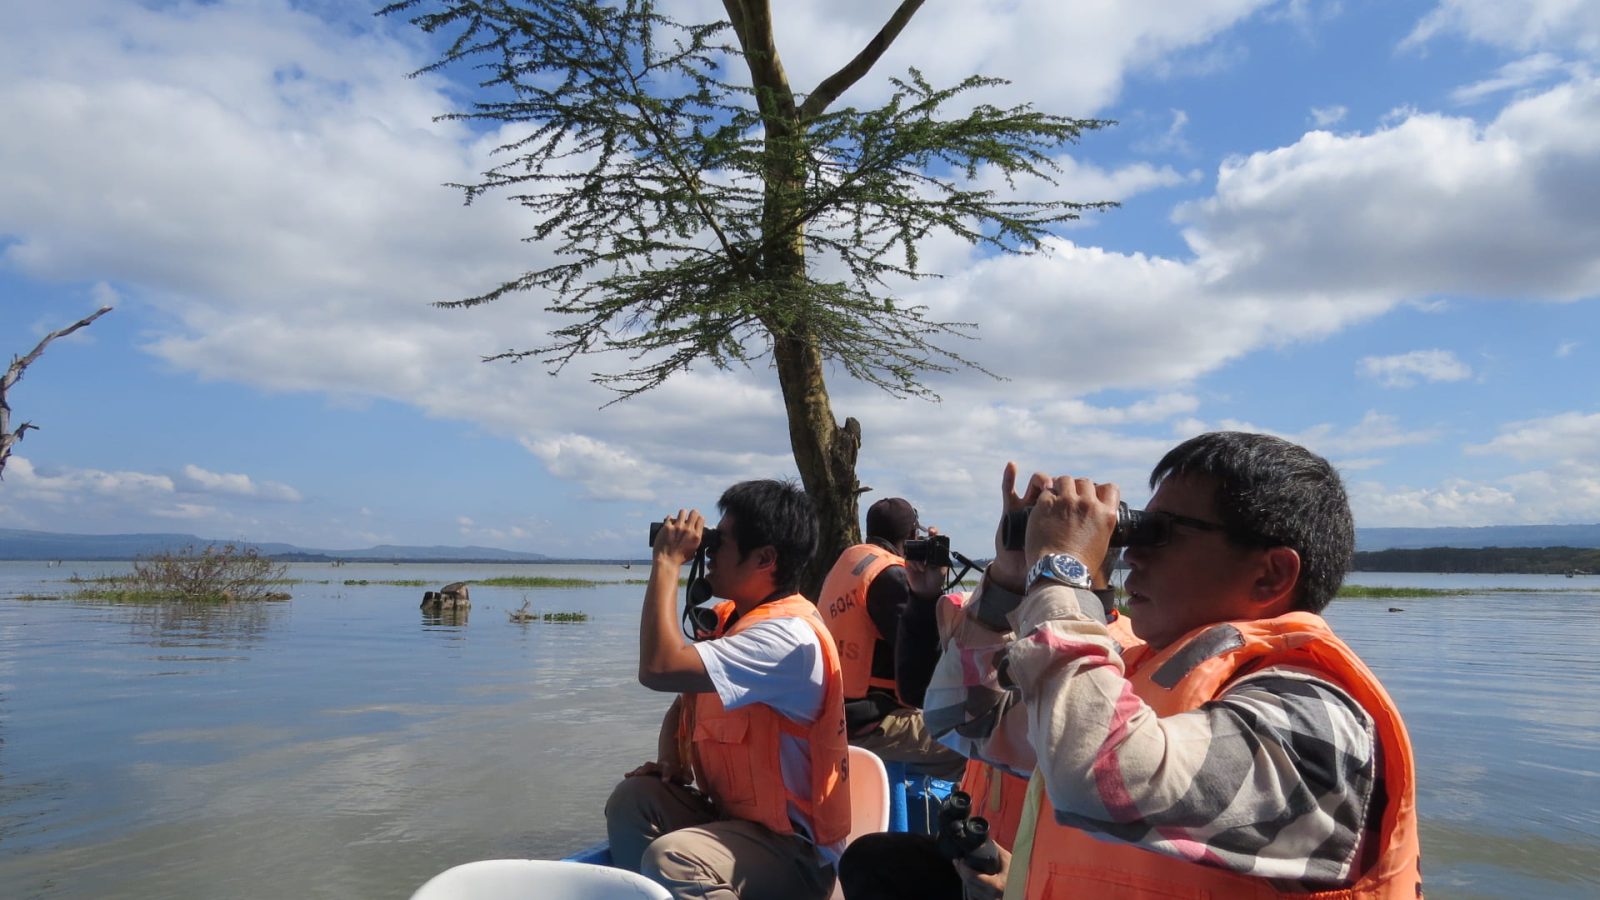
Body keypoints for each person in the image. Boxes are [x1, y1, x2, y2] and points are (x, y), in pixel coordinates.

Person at [925, 432, 1421, 899]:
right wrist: (1012, 579)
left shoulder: (1317, 722)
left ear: (1271, 574)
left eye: (1163, 533)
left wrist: (1061, 570)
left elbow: (1102, 777)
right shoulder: (1135, 679)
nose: (1131, 554)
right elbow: (964, 720)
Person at [603, 480, 849, 900]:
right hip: (731, 826)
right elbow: (685, 704)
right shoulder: (734, 620)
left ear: (765, 558)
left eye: (720, 542)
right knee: (634, 799)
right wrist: (671, 761)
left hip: (794, 857)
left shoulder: (788, 639)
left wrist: (667, 561)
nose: (708, 551)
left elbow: (658, 668)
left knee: (673, 858)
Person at [836, 554, 1126, 900]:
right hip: (978, 854)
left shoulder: (1116, 660)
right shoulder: (1007, 629)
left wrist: (1021, 883)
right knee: (870, 861)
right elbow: (918, 691)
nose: (1033, 569)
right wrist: (926, 598)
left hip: (1041, 879)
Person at [818, 497, 965, 778]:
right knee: (979, 750)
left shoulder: (849, 562)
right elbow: (925, 670)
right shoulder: (892, 576)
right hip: (870, 724)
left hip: (835, 714)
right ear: (912, 536)